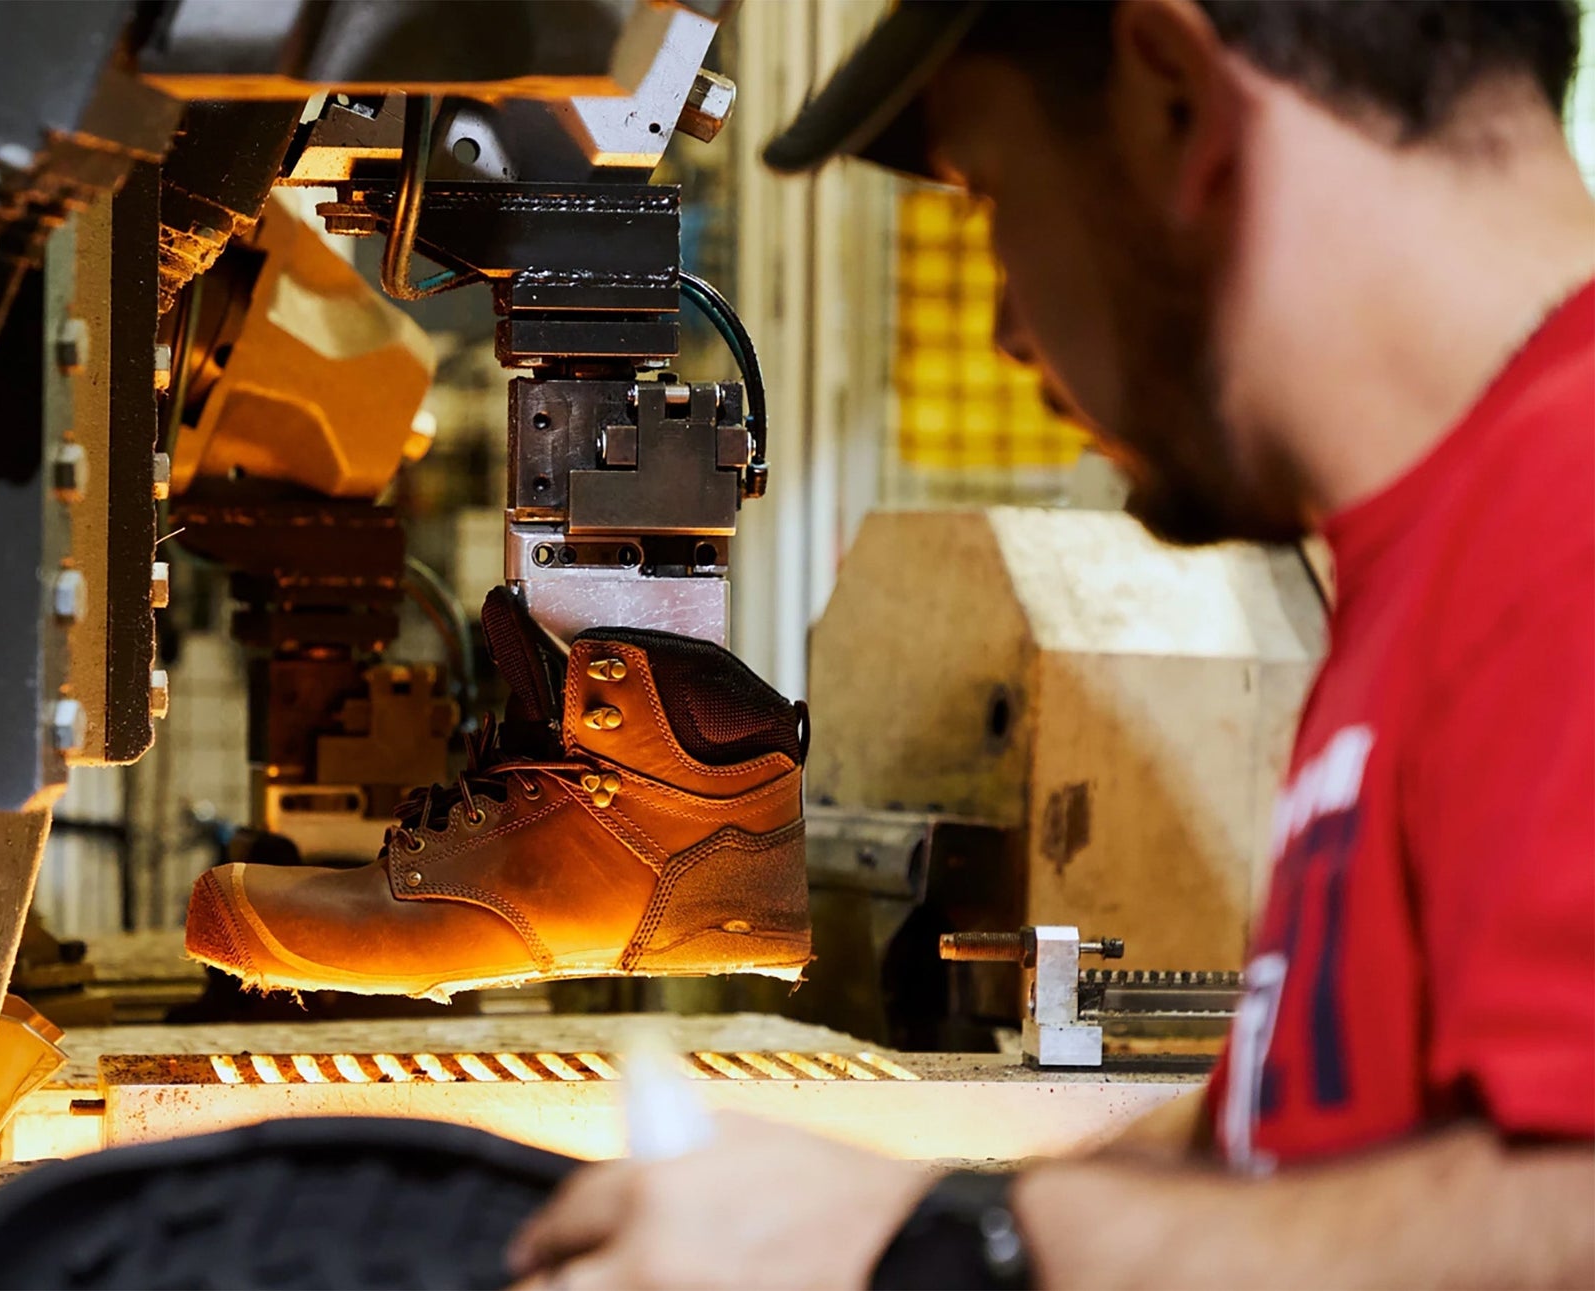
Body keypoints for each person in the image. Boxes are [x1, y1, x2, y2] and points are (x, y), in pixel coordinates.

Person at [506, 1, 1595, 1286]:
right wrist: (888, 1203)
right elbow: (1320, 1146)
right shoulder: (1441, 546)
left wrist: (959, 1246)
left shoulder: (1563, 499)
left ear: (1174, 100)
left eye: (989, 195)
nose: (1005, 330)